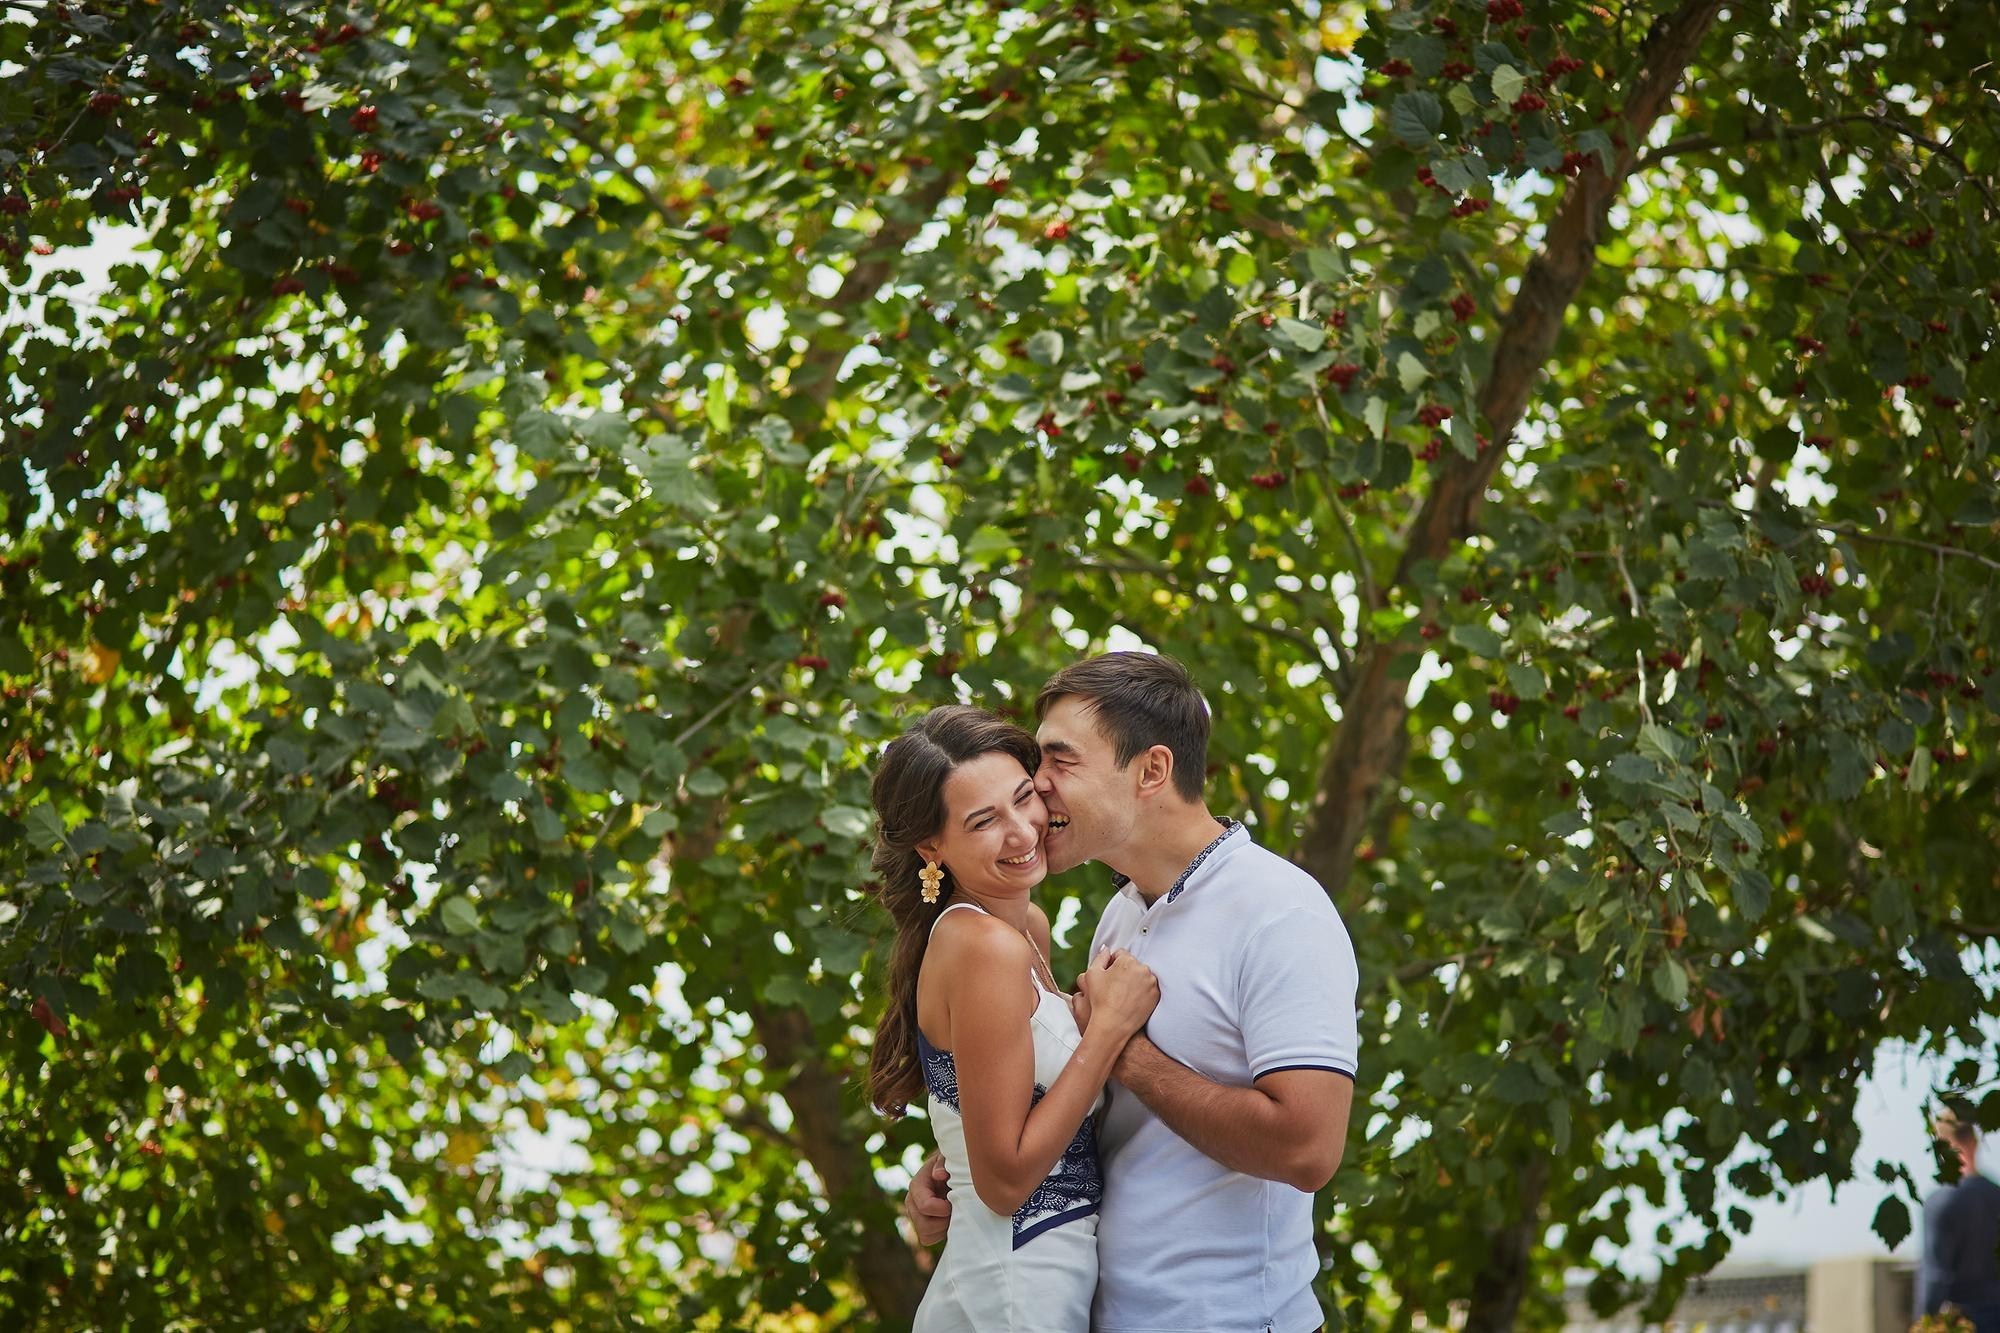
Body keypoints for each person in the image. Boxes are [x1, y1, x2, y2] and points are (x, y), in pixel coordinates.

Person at [905, 652, 1360, 1333]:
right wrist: (961, 1160)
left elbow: (1308, 1150)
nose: (1037, 783)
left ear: (1151, 771)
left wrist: (1127, 1052)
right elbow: (1090, 1111)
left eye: (1060, 759)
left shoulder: (1278, 910)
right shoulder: (1121, 916)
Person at [867, 704, 1161, 1333]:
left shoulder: (1025, 928)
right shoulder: (984, 946)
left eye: (1023, 797)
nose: (1022, 832)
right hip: (1016, 1282)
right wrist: (1107, 1032)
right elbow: (1004, 1183)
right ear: (931, 847)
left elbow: (998, 1106)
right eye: (982, 822)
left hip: (1050, 1267)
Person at [1919, 1110, 2000, 1333]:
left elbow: (1935, 1277)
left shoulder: (1941, 1203)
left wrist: (1924, 1322)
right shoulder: (1996, 1196)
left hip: (1964, 1321)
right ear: (1975, 1142)